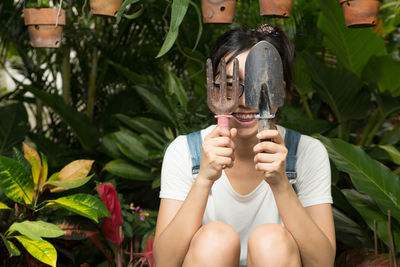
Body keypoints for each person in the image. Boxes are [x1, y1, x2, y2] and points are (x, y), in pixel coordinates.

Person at [153, 24, 336, 267]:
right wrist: (204, 179)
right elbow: (165, 262)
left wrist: (281, 183)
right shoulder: (184, 152)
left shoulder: (308, 153)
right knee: (215, 239)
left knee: (271, 241)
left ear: (279, 92)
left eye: (257, 85)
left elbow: (322, 262)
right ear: (214, 90)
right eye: (229, 84)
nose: (243, 100)